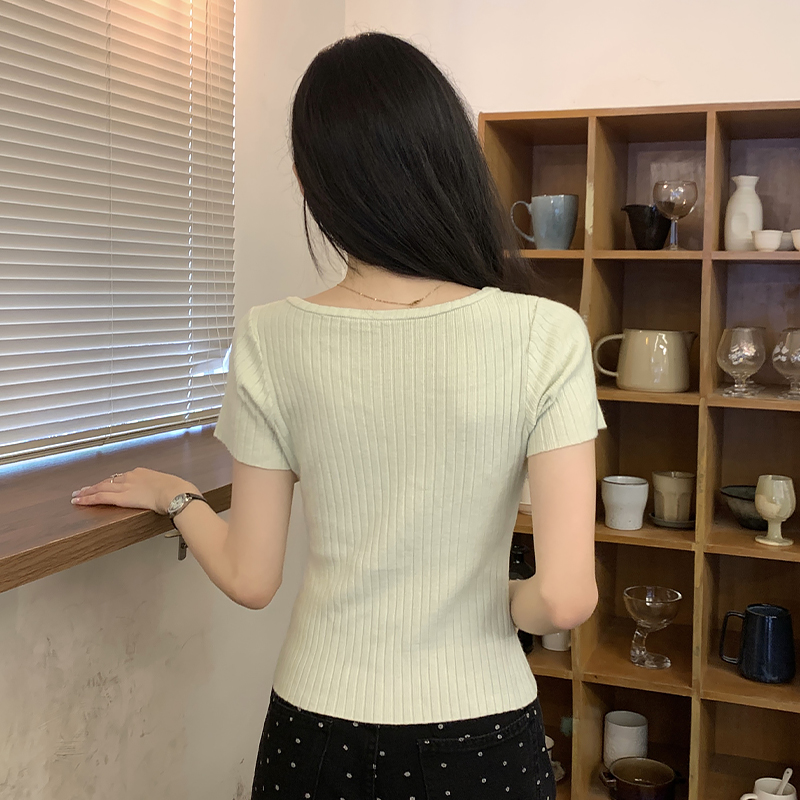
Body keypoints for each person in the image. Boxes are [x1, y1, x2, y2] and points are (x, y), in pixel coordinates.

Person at [72, 32, 604, 800]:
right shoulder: (545, 334)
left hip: (317, 733)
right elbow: (565, 598)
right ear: (451, 159)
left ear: (307, 179)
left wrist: (175, 497)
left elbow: (252, 577)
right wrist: (495, 601)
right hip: (484, 735)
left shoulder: (270, 337)